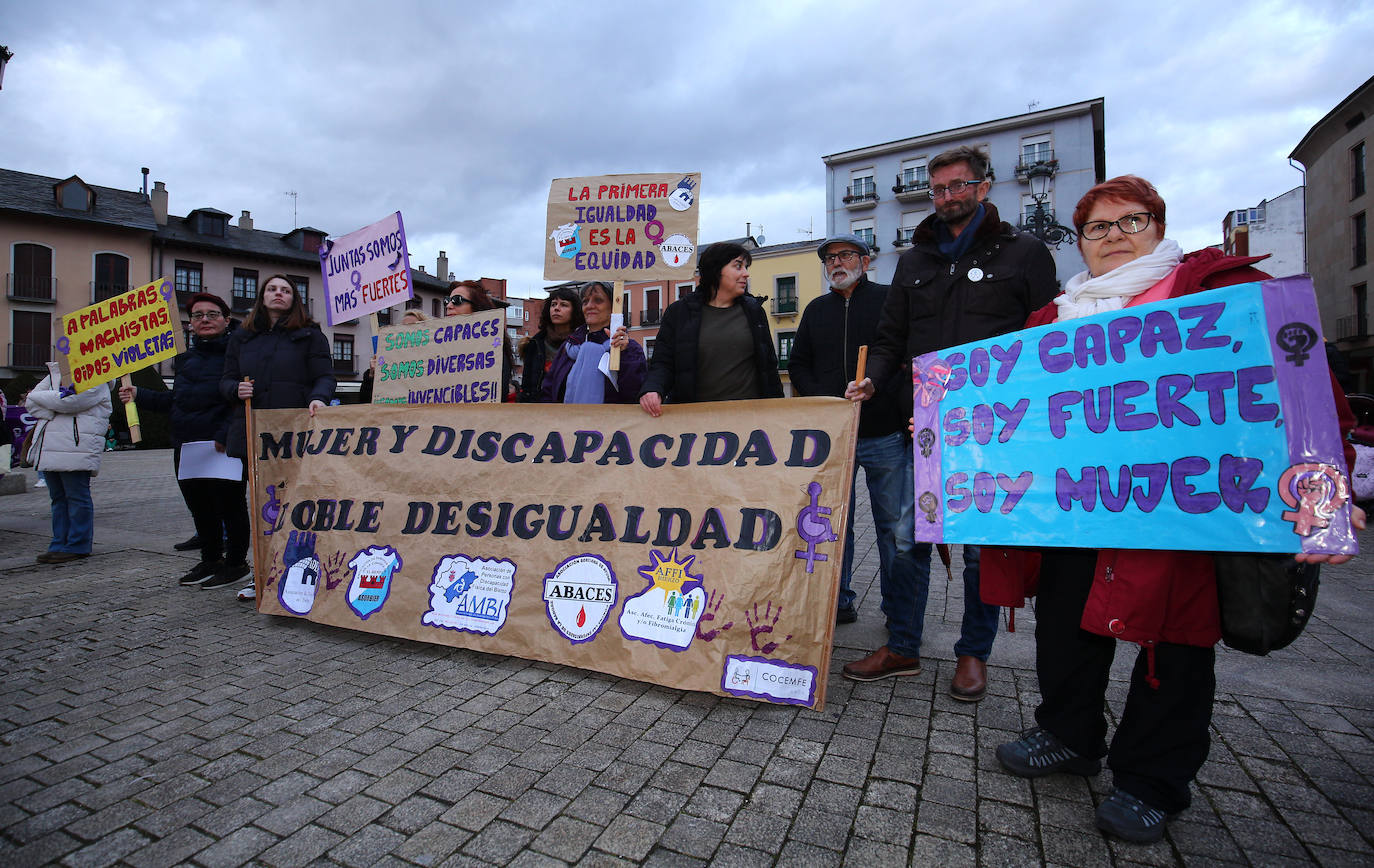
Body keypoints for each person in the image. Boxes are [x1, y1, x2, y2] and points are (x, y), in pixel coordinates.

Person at [984, 175, 1365, 843]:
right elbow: (1005, 412)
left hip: (1187, 508)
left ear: (1158, 227)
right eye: (1098, 228)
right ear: (1081, 244)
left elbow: (1304, 383)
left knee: (1177, 643)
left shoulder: (1223, 291)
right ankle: (1068, 734)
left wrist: (1326, 490)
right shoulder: (1051, 319)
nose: (1115, 237)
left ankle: (1152, 779)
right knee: (1065, 628)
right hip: (1077, 513)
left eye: (1130, 221)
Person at [846, 145, 1058, 699]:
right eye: (939, 189)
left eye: (958, 186)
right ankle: (902, 646)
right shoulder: (913, 262)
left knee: (979, 550)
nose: (947, 197)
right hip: (924, 426)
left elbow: (1044, 338)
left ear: (983, 187)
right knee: (905, 538)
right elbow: (892, 338)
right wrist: (874, 381)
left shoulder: (1026, 253)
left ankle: (973, 654)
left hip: (995, 431)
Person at [790, 234, 918, 629]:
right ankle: (838, 602)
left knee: (895, 529)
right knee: (831, 525)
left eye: (845, 255)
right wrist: (825, 403)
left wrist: (884, 393)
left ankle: (897, 609)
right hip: (834, 438)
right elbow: (799, 365)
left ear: (865, 259)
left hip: (883, 433)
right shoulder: (815, 310)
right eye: (829, 259)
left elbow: (900, 355)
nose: (836, 263)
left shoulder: (887, 300)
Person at [120, 292, 248, 589]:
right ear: (190, 325)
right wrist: (139, 395)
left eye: (212, 314)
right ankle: (211, 559)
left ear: (227, 320)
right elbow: (176, 402)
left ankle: (236, 564)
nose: (205, 320)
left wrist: (226, 435)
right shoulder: (187, 360)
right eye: (198, 316)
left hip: (222, 447)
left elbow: (243, 401)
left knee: (231, 507)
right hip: (187, 446)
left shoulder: (239, 354)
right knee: (201, 509)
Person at [221, 274, 336, 599]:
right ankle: (261, 576)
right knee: (261, 506)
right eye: (272, 289)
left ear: (294, 299)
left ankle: (299, 572)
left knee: (296, 504)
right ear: (262, 296)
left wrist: (319, 398)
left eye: (286, 290)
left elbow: (325, 376)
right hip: (254, 434)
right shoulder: (241, 337)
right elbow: (226, 379)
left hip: (295, 434)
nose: (278, 294)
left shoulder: (310, 335)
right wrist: (234, 389)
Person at [639, 242, 783, 415]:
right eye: (738, 266)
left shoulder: (754, 311)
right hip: (696, 421)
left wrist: (779, 412)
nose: (746, 273)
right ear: (716, 270)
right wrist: (653, 388)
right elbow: (663, 362)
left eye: (745, 267)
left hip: (749, 419)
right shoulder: (679, 313)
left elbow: (769, 367)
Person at [25, 360, 113, 563]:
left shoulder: (97, 374)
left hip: (76, 446)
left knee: (76, 497)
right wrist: (52, 404)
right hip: (50, 446)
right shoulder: (55, 372)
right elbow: (31, 402)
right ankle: (59, 543)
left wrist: (45, 402)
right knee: (58, 499)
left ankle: (77, 544)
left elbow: (71, 402)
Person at [542, 281, 646, 404]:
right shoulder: (569, 346)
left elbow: (633, 393)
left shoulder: (629, 348)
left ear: (613, 307)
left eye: (598, 300)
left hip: (608, 421)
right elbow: (548, 390)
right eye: (585, 301)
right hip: (565, 420)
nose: (589, 306)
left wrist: (624, 355)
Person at [446, 280, 516, 401]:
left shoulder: (493, 352)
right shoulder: (441, 350)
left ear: (476, 307)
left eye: (457, 300)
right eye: (447, 301)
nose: (449, 306)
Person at [519, 287, 584, 402]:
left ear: (574, 310)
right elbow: (527, 386)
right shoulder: (535, 344)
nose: (556, 309)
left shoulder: (582, 343)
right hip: (539, 411)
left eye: (564, 305)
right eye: (553, 304)